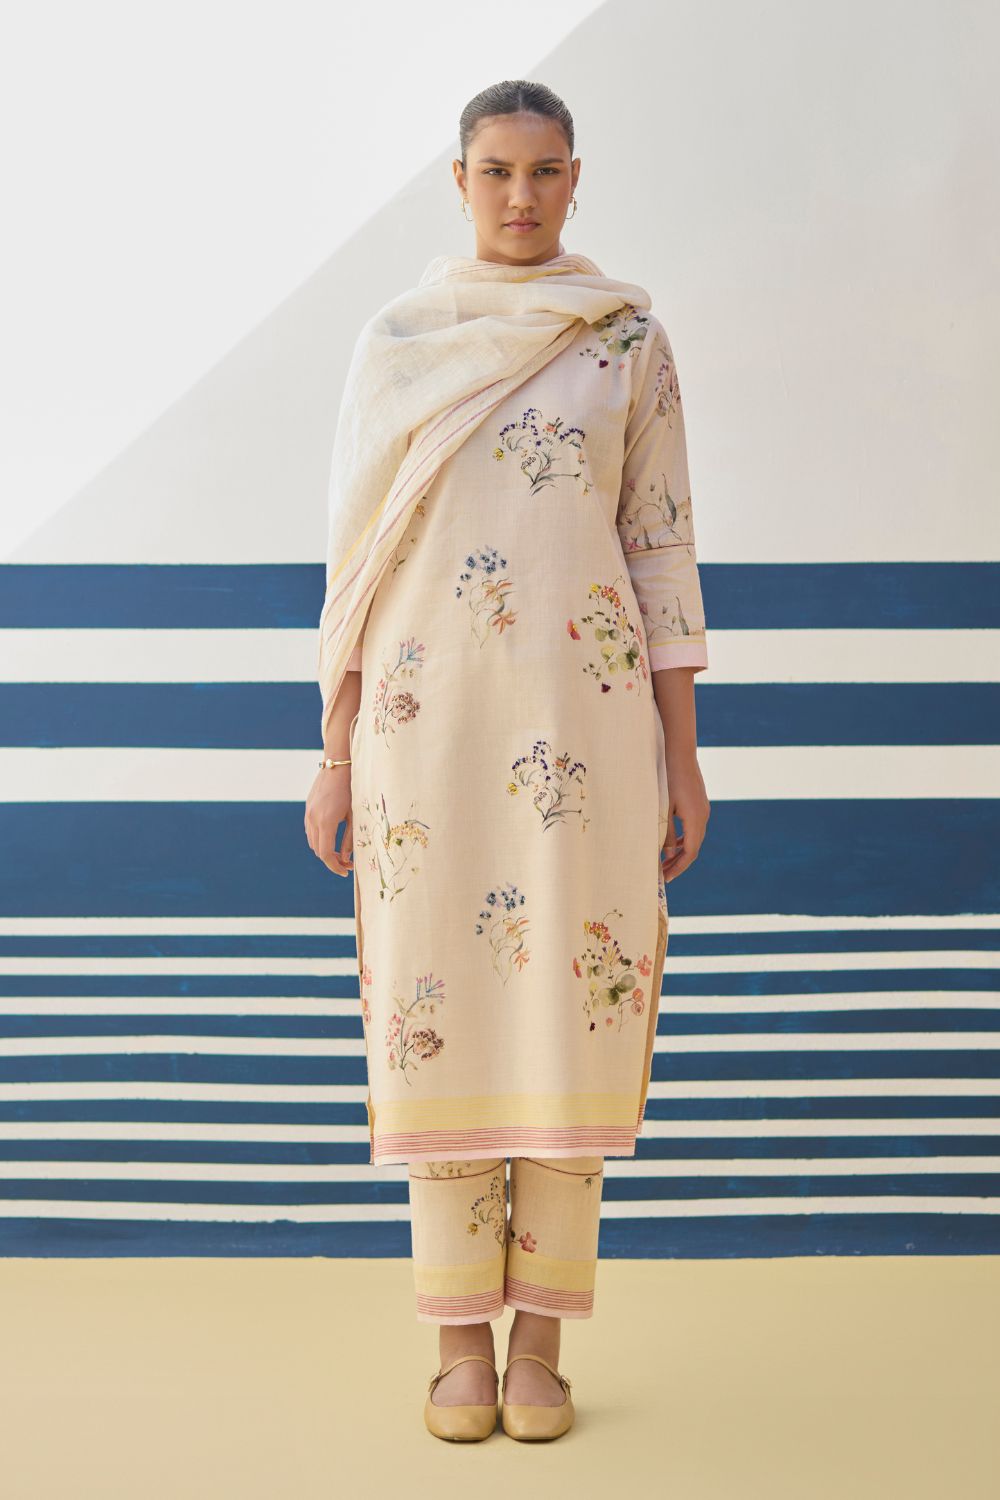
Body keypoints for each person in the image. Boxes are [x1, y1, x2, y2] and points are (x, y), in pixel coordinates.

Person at [304, 78, 710, 1442]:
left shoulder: (623, 335)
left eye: (545, 171)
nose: (521, 197)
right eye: (497, 171)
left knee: (568, 1016)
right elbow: (355, 563)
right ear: (460, 180)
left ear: (576, 177)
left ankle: (540, 1342)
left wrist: (684, 760)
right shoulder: (401, 341)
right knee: (437, 1014)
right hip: (424, 738)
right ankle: (456, 1348)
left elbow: (659, 546)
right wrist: (335, 753)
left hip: (584, 739)